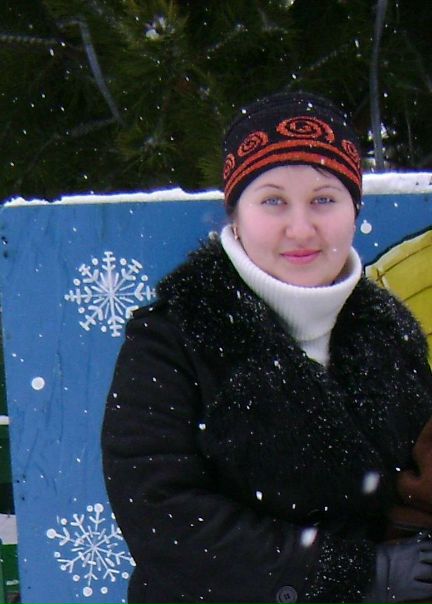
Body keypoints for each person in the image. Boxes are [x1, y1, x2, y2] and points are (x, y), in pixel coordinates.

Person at [102, 92, 432, 604]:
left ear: (354, 210)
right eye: (273, 200)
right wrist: (355, 574)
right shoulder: (171, 339)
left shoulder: (391, 335)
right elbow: (163, 515)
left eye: (324, 199)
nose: (300, 228)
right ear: (235, 213)